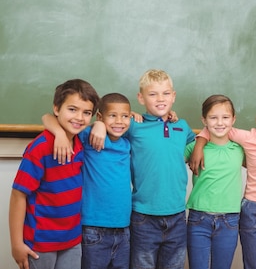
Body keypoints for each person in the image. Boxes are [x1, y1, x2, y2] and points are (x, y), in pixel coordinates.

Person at [50, 69, 195, 269]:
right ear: (141, 98)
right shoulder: (131, 126)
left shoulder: (181, 126)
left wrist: (201, 147)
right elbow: (54, 118)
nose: (160, 99)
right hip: (140, 216)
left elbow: (192, 141)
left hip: (174, 215)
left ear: (174, 96)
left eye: (166, 93)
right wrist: (98, 124)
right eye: (153, 94)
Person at [190, 95, 256, 269]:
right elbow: (217, 127)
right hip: (253, 211)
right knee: (255, 264)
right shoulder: (248, 138)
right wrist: (199, 144)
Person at [9, 79, 99, 269]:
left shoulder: (81, 140)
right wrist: (17, 244)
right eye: (72, 109)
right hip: (41, 243)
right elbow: (18, 195)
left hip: (72, 240)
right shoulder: (40, 148)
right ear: (57, 109)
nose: (79, 117)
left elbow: (112, 119)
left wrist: (99, 125)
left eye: (86, 113)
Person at [184, 94, 245, 269]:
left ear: (233, 119)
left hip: (230, 220)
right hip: (199, 218)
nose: (220, 123)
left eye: (225, 117)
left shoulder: (240, 148)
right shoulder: (193, 148)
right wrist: (199, 143)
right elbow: (169, 161)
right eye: (213, 118)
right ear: (204, 120)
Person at [79, 93, 132, 269]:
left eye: (125, 116)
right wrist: (98, 125)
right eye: (112, 115)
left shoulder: (127, 143)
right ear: (100, 116)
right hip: (94, 228)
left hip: (124, 228)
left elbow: (151, 125)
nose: (119, 121)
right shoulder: (89, 137)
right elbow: (52, 119)